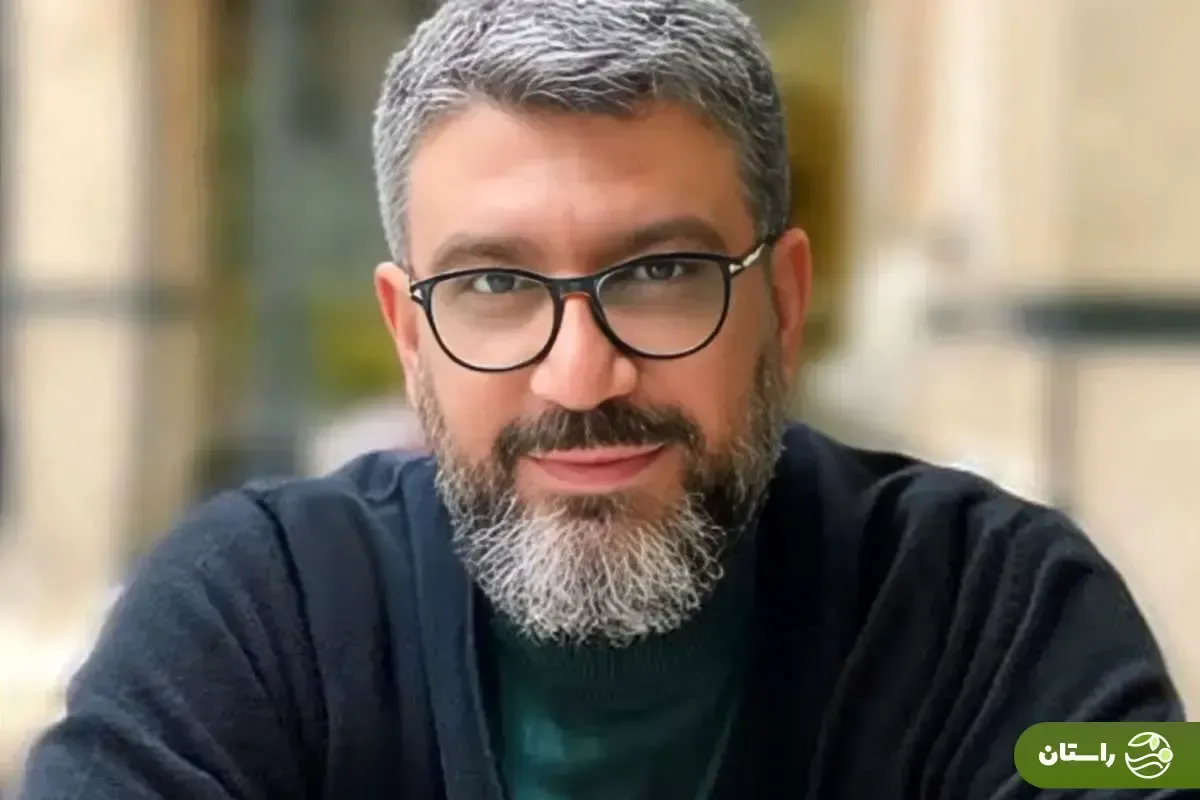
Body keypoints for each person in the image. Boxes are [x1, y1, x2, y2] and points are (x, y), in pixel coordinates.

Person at [18, 1, 1184, 798]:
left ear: (783, 301)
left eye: (662, 273)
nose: (581, 375)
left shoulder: (1005, 608)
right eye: (493, 285)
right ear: (409, 334)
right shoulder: (249, 614)